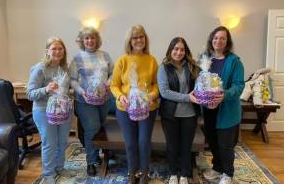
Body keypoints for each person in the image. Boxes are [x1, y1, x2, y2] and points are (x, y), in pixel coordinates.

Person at [110, 24, 159, 184]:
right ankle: (132, 172)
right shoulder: (122, 60)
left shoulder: (152, 60)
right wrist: (120, 97)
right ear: (130, 41)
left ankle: (144, 172)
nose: (139, 40)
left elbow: (157, 84)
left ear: (145, 39)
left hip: (147, 108)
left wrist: (152, 94)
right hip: (125, 109)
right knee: (130, 143)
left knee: (144, 141)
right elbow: (114, 85)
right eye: (135, 37)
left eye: (141, 36)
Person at [27, 37, 74, 184]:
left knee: (62, 142)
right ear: (47, 51)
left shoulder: (65, 68)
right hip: (44, 111)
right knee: (50, 143)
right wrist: (46, 89)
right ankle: (48, 174)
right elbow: (30, 93)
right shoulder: (39, 69)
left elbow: (67, 88)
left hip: (64, 110)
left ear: (64, 51)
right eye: (54, 48)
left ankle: (60, 168)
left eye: (60, 48)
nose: (57, 51)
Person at [201, 26, 245, 184]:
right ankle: (217, 168)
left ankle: (228, 173)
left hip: (226, 110)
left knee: (226, 144)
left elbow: (239, 85)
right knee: (212, 141)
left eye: (222, 38)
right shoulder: (205, 59)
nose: (218, 41)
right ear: (211, 40)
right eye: (215, 38)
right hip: (208, 109)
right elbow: (199, 81)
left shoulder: (234, 61)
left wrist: (223, 95)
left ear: (227, 42)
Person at [69, 27, 113, 176]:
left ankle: (99, 154)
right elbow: (73, 80)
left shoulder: (105, 56)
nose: (90, 41)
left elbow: (113, 74)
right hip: (85, 101)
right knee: (92, 128)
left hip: (104, 100)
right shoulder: (77, 58)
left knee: (100, 127)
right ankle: (91, 161)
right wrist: (82, 92)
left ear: (97, 40)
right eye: (86, 38)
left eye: (92, 38)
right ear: (82, 41)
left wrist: (109, 83)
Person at [157, 37, 200, 184]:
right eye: (176, 49)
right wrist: (187, 97)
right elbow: (164, 92)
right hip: (170, 114)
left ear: (185, 51)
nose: (179, 52)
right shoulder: (163, 68)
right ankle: (173, 173)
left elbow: (200, 87)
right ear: (170, 50)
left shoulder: (193, 67)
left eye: (182, 49)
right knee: (172, 145)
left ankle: (184, 174)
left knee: (186, 146)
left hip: (190, 114)